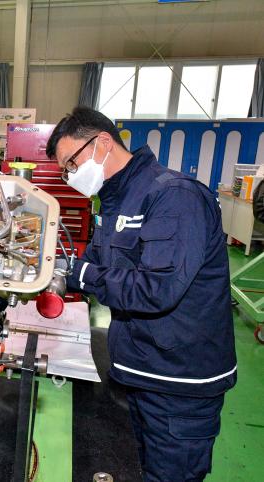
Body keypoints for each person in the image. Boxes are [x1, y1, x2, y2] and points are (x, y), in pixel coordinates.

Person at [46, 106, 236, 482]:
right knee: (135, 468)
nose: (70, 177)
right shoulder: (116, 201)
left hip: (179, 384)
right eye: (65, 171)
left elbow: (157, 289)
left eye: (71, 164)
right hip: (139, 370)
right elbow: (97, 268)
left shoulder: (174, 196)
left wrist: (75, 272)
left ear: (102, 142)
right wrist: (43, 268)